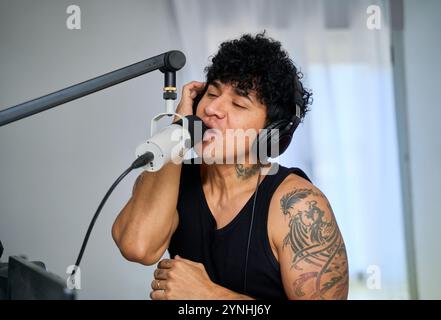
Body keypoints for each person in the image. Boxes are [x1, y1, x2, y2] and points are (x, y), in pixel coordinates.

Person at [112, 32, 348, 300]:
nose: (212, 108)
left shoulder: (299, 205)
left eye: (238, 103)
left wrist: (209, 296)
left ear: (271, 133)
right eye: (211, 93)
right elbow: (137, 246)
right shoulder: (174, 175)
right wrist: (178, 131)